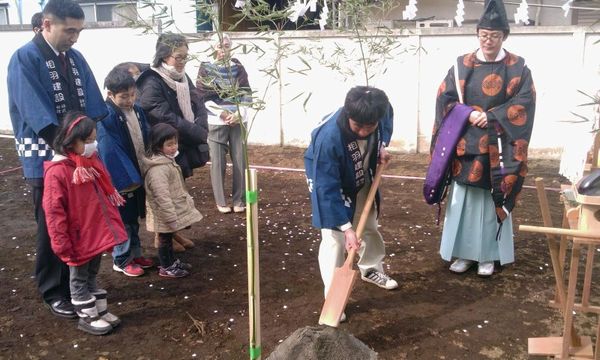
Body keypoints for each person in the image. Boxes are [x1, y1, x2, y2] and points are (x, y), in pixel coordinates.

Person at [7, 0, 107, 319]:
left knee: (81, 221)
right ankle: (53, 290)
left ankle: (76, 285)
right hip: (45, 158)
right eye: (69, 30)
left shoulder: (75, 59)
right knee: (53, 225)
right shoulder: (25, 58)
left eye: (79, 31)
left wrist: (88, 143)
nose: (75, 38)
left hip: (78, 159)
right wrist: (71, 147)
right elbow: (34, 111)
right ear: (47, 25)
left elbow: (93, 105)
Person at [433, 0, 535, 277]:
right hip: (466, 144)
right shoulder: (460, 66)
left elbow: (525, 103)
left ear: (504, 36)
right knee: (463, 202)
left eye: (495, 35)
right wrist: (466, 114)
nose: (489, 41)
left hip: (499, 146)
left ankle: (488, 256)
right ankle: (464, 255)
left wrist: (492, 116)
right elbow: (445, 99)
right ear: (477, 34)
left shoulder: (518, 69)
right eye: (484, 35)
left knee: (493, 201)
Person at [304, 86, 398, 321]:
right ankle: (333, 294)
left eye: (371, 127)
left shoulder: (376, 110)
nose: (365, 131)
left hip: (361, 169)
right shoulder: (328, 139)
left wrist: (382, 145)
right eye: (359, 127)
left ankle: (371, 268)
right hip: (331, 176)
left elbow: (385, 121)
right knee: (335, 239)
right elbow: (327, 189)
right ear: (348, 115)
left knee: (369, 225)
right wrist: (346, 228)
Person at [43, 112, 127, 335]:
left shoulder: (90, 164)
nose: (93, 145)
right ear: (71, 142)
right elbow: (53, 211)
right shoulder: (58, 172)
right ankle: (87, 316)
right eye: (87, 141)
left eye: (93, 139)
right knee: (79, 277)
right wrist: (60, 242)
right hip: (78, 237)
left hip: (95, 233)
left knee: (91, 273)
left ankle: (98, 310)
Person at [137, 33, 209, 250]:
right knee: (163, 193)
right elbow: (163, 115)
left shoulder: (182, 77)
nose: (182, 62)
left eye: (185, 57)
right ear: (164, 56)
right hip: (161, 149)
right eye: (179, 57)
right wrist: (196, 132)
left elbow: (197, 102)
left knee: (177, 189)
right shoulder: (151, 81)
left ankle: (173, 233)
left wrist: (202, 124)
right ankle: (162, 237)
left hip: (179, 144)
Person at [97, 66, 155, 277]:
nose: (130, 100)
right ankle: (121, 259)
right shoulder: (106, 116)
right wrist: (125, 180)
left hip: (137, 171)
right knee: (122, 220)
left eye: (132, 94)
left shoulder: (137, 110)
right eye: (124, 96)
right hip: (123, 180)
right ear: (110, 94)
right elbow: (109, 150)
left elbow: (146, 135)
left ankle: (135, 253)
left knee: (132, 219)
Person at [196, 33, 252, 214]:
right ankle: (221, 201)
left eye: (226, 46)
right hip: (215, 120)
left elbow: (246, 92)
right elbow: (202, 96)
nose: (223, 49)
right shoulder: (206, 68)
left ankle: (239, 200)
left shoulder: (238, 67)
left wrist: (239, 112)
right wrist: (222, 113)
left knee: (240, 160)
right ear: (213, 47)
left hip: (238, 120)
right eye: (220, 45)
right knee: (218, 162)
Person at [143, 123, 203, 278]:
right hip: (162, 212)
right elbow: (161, 195)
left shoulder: (167, 161)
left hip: (167, 210)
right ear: (157, 145)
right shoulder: (158, 169)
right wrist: (169, 215)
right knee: (164, 239)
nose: (174, 147)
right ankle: (166, 266)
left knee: (168, 238)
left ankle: (171, 262)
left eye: (175, 143)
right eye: (169, 144)